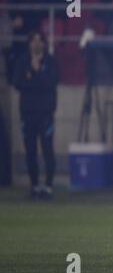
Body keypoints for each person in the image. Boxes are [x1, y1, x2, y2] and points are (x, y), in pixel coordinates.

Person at [12, 31, 59, 199]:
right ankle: (34, 185)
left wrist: (36, 73)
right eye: (33, 40)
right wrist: (34, 79)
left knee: (47, 150)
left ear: (44, 44)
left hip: (45, 113)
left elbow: (50, 83)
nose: (36, 44)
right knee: (30, 151)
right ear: (29, 43)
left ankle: (48, 186)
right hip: (28, 113)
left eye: (40, 41)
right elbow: (18, 83)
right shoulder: (22, 61)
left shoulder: (51, 62)